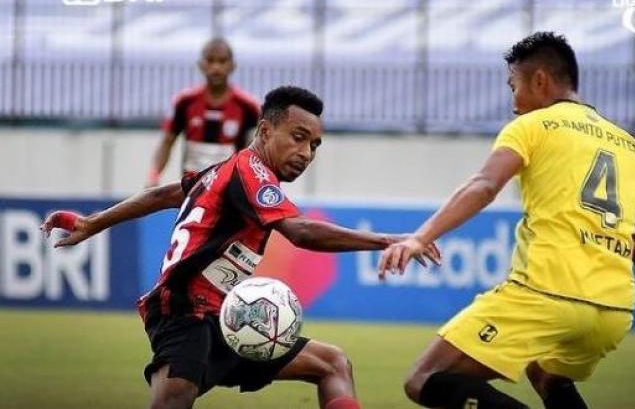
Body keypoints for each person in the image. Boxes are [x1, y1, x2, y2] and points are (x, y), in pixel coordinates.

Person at [42, 86, 439, 409]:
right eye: (298, 138)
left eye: (315, 145)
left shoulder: (222, 171)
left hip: (229, 320)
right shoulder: (251, 173)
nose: (306, 153)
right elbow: (300, 232)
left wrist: (94, 222)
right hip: (184, 312)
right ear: (265, 131)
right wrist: (389, 239)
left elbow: (166, 194)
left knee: (332, 363)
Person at [378, 32, 635, 409]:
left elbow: (484, 186)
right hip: (614, 309)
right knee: (546, 375)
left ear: (540, 80)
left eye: (513, 86)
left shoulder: (533, 126)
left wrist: (419, 237)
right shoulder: (630, 146)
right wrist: (595, 262)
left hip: (546, 293)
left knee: (425, 379)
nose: (513, 103)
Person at [147, 38, 261, 186]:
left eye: (222, 61)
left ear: (232, 66)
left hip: (230, 188)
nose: (216, 67)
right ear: (201, 65)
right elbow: (167, 141)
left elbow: (256, 150)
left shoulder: (248, 106)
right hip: (193, 186)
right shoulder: (185, 101)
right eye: (210, 60)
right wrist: (153, 176)